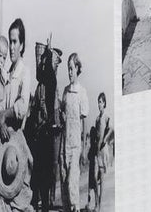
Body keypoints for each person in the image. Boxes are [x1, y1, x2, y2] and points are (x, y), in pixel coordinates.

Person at [0, 18, 33, 212]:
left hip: (16, 143)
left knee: (19, 202)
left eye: (15, 42)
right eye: (10, 41)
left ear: (22, 44)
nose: (12, 47)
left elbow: (22, 107)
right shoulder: (6, 72)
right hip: (2, 142)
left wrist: (5, 116)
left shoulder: (25, 72)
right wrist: (0, 122)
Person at [59, 54, 90, 212]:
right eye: (68, 69)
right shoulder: (65, 92)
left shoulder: (82, 92)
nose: (69, 72)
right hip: (64, 146)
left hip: (76, 145)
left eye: (71, 69)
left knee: (72, 185)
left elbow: (84, 123)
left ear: (77, 69)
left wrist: (84, 148)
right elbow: (62, 116)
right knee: (64, 186)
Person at [87, 92, 112, 212]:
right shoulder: (97, 118)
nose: (99, 104)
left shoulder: (106, 116)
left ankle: (100, 206)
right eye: (98, 102)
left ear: (104, 103)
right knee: (94, 177)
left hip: (103, 151)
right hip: (97, 150)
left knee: (102, 179)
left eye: (101, 102)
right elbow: (96, 134)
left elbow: (111, 129)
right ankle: (96, 202)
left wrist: (105, 139)